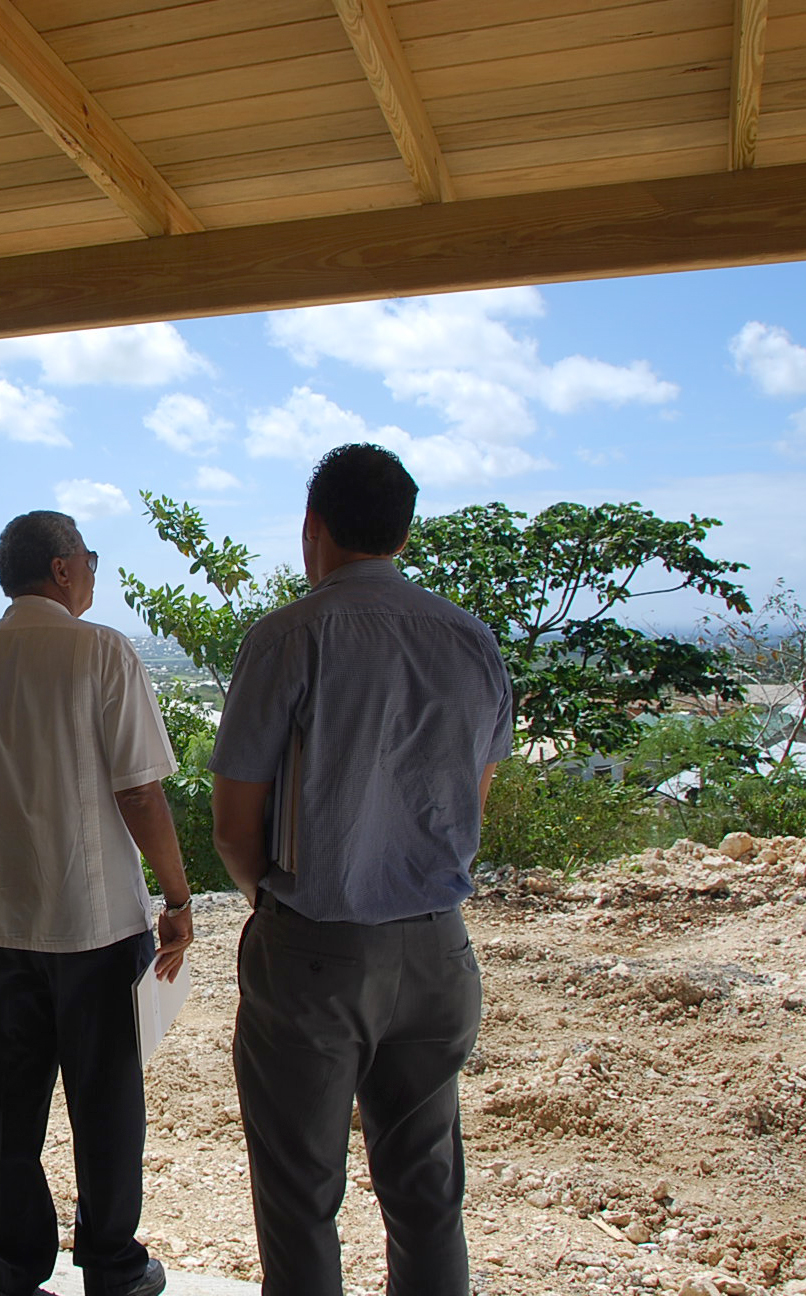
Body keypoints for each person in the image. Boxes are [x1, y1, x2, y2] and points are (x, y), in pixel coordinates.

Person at [208, 444, 513, 1296]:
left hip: (314, 952)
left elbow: (234, 826)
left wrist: (267, 901)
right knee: (425, 1195)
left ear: (313, 528)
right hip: (438, 954)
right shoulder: (470, 639)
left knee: (301, 1199)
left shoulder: (288, 636)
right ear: (403, 532)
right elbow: (472, 805)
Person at [0, 509, 195, 1296]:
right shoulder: (100, 650)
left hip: (1, 932)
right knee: (105, 1112)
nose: (93, 571)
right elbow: (138, 789)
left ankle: (13, 1268)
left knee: (6, 1120)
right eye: (89, 558)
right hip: (97, 931)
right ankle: (111, 1266)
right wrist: (176, 895)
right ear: (63, 569)